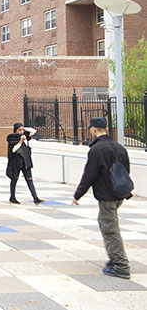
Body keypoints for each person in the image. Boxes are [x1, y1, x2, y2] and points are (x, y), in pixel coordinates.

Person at [73, 117, 131, 279]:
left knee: (110, 229)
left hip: (107, 195)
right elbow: (126, 170)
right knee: (106, 223)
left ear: (93, 129)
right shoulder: (118, 147)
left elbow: (89, 175)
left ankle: (121, 265)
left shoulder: (97, 150)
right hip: (119, 193)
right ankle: (114, 259)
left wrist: (78, 194)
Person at [6, 123, 44, 205]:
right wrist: (20, 141)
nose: (21, 132)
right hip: (16, 161)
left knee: (29, 179)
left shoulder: (24, 135)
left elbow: (33, 131)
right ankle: (12, 197)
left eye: (22, 130)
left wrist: (24, 128)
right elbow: (13, 150)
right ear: (15, 130)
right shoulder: (12, 137)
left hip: (25, 162)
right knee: (14, 179)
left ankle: (35, 198)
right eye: (19, 130)